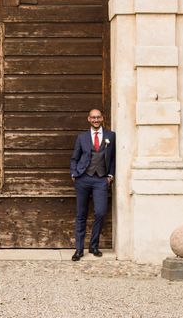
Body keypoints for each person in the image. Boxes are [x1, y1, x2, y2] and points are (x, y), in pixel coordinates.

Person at [70, 108, 115, 261]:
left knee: (101, 212)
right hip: (83, 178)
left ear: (102, 118)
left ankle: (94, 245)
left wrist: (110, 175)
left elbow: (113, 158)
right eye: (93, 118)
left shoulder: (111, 136)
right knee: (81, 215)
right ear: (89, 119)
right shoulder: (82, 137)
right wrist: (74, 173)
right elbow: (74, 158)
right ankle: (79, 249)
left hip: (101, 180)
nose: (96, 120)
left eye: (98, 117)